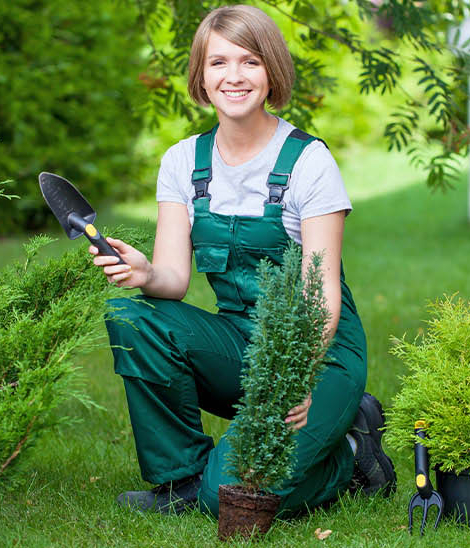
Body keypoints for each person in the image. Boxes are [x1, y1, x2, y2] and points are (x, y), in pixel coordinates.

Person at [91, 4, 393, 517]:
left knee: (229, 497)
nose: (234, 76)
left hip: (317, 358)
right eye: (218, 63)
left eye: (250, 62)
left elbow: (320, 297)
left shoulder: (308, 163)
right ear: (201, 78)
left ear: (271, 72)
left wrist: (294, 375)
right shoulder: (183, 161)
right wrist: (144, 273)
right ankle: (181, 480)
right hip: (239, 347)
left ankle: (352, 454)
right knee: (133, 316)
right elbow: (173, 281)